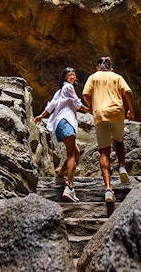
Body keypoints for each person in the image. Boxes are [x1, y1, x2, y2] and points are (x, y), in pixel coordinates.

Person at [82, 56, 135, 203]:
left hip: (100, 115)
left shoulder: (93, 77)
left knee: (104, 151)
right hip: (117, 113)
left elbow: (85, 94)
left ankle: (108, 189)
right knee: (119, 141)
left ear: (98, 67)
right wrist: (131, 110)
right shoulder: (117, 77)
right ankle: (122, 166)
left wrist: (92, 105)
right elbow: (128, 92)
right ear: (111, 67)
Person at [34, 67, 89, 202]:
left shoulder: (60, 91)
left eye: (74, 74)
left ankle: (60, 174)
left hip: (59, 123)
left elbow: (51, 104)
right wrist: (89, 110)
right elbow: (76, 103)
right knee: (71, 154)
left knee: (76, 152)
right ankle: (70, 188)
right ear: (64, 77)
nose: (72, 76)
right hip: (66, 121)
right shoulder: (68, 88)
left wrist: (41, 116)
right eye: (69, 74)